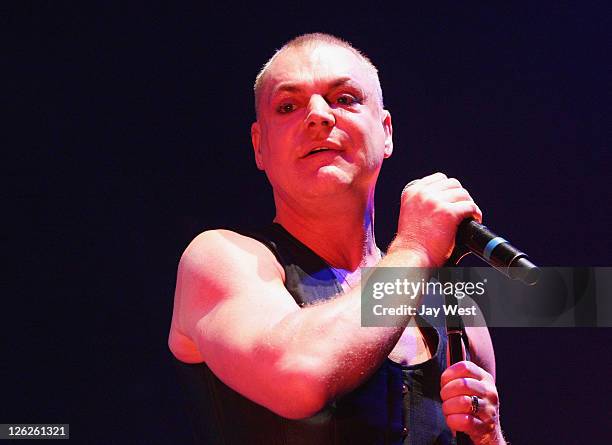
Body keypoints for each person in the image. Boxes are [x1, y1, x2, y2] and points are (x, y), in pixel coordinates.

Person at [169, 33, 507, 445]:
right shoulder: (221, 259)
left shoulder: (458, 314)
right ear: (260, 146)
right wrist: (416, 247)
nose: (317, 116)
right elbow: (299, 376)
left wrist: (490, 435)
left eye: (344, 99)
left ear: (386, 132)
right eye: (288, 106)